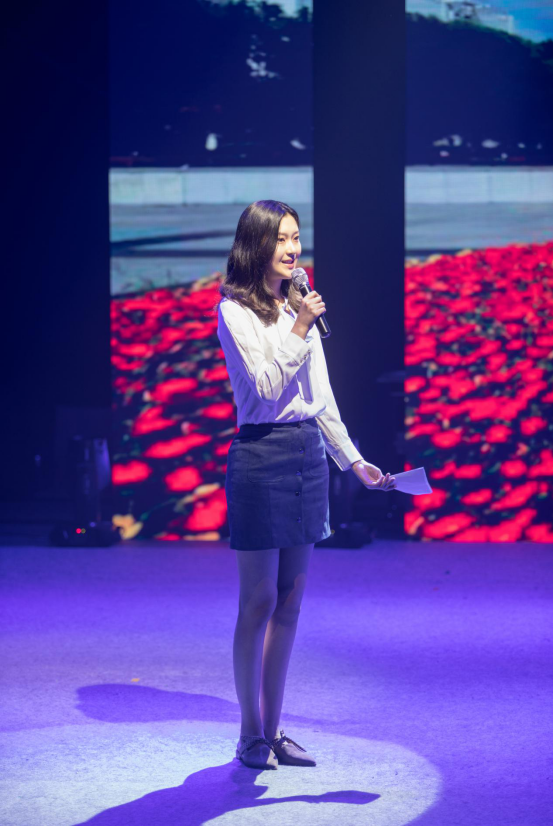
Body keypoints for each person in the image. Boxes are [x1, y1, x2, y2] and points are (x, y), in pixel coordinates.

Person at [217, 200, 396, 770]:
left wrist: (354, 461)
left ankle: (273, 730)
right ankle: (248, 733)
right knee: (259, 601)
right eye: (281, 239)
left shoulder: (296, 306)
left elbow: (321, 397)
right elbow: (267, 388)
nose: (293, 249)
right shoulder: (234, 312)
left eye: (296, 237)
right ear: (256, 244)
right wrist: (298, 324)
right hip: (260, 454)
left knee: (290, 603)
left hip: (307, 455)